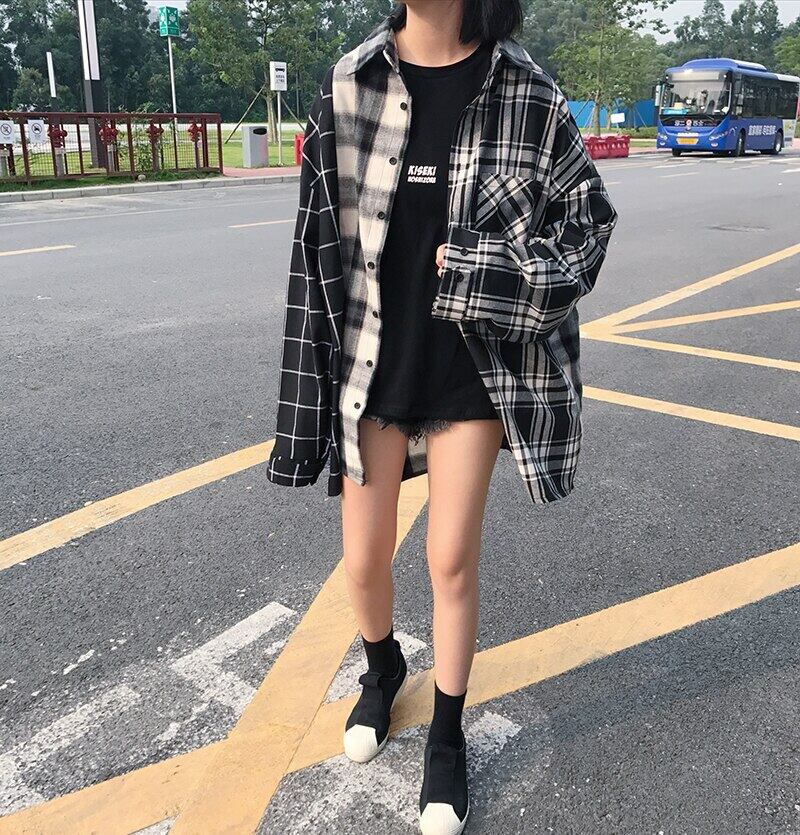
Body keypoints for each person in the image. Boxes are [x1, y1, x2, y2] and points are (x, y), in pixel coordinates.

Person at [266, 1, 618, 832]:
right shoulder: (350, 85)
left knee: (450, 557)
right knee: (363, 561)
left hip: (474, 362)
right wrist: (302, 411)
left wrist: (485, 270)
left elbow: (588, 228)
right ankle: (382, 668)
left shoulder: (527, 91)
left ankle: (448, 736)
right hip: (374, 360)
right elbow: (315, 252)